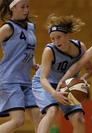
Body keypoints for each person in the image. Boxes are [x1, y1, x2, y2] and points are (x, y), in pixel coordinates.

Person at [32, 14, 92, 133]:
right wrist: (54, 94)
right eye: (52, 39)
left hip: (67, 86)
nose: (55, 41)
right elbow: (43, 78)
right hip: (46, 85)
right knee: (52, 111)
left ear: (67, 35)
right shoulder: (49, 50)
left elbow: (90, 70)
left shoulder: (80, 47)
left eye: (58, 37)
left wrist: (82, 80)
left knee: (79, 119)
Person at [0, 0, 42, 133]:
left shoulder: (30, 27)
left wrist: (33, 63)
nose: (26, 10)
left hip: (26, 79)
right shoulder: (7, 28)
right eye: (22, 7)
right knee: (18, 120)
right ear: (12, 8)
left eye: (27, 6)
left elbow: (29, 49)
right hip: (9, 79)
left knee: (39, 116)